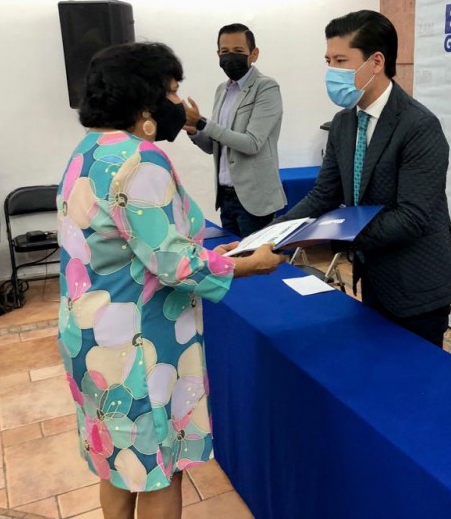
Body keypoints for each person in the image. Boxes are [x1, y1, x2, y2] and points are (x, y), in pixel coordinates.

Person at [57, 42, 284, 519]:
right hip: (141, 346)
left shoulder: (87, 151)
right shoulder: (141, 159)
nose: (179, 103)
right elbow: (171, 263)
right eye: (173, 91)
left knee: (119, 463)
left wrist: (206, 251)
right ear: (144, 103)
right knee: (160, 466)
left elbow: (138, 243)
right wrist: (248, 264)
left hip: (93, 338)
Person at [276, 10, 451, 347]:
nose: (332, 71)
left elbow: (412, 217)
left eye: (341, 60)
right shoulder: (343, 123)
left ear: (376, 62)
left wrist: (331, 237)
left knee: (413, 386)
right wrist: (274, 233)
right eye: (328, 61)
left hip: (417, 286)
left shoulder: (418, 126)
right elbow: (324, 193)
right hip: (375, 277)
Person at [183, 23, 286, 237]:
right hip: (226, 197)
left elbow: (252, 143)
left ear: (254, 54)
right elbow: (215, 147)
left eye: (238, 52)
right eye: (224, 52)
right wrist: (194, 130)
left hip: (254, 199)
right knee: (232, 265)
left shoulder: (266, 87)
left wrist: (202, 122)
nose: (230, 58)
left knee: (256, 266)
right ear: (217, 54)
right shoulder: (222, 90)